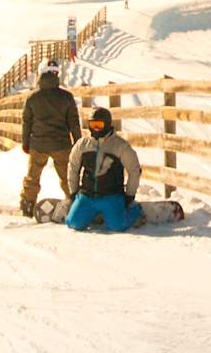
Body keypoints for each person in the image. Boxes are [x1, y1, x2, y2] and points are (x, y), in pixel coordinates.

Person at [63, 106, 141, 231]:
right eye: (93, 124)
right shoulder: (83, 144)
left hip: (111, 196)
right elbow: (73, 167)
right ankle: (90, 212)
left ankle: (135, 210)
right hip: (87, 195)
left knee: (117, 227)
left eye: (99, 124)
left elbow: (134, 170)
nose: (96, 128)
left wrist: (129, 195)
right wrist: (73, 192)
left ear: (107, 124)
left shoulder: (120, 145)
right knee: (73, 223)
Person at [18, 61, 78, 216]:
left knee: (33, 177)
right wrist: (77, 143)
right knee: (67, 178)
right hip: (62, 144)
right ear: (57, 74)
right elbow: (74, 122)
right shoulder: (66, 97)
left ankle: (27, 204)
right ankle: (75, 204)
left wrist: (26, 143)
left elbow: (26, 122)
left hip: (38, 145)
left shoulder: (32, 97)